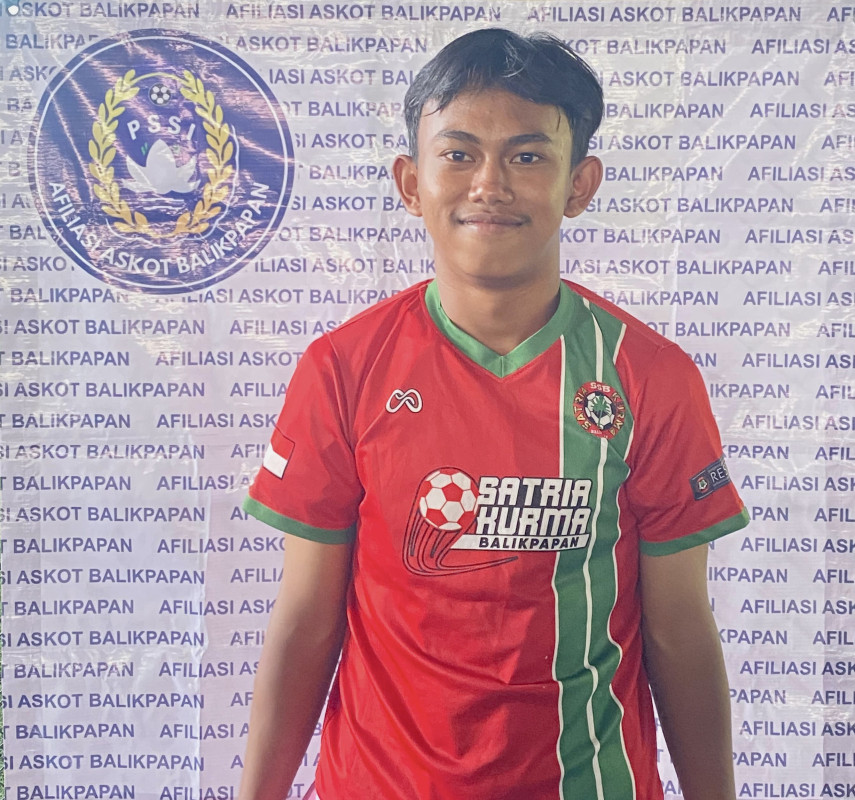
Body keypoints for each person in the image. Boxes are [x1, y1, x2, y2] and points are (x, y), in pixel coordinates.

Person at [238, 28, 749, 800]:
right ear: (410, 182)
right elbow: (307, 619)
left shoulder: (649, 377)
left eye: (527, 156)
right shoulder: (342, 368)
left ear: (579, 185)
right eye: (458, 153)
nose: (489, 184)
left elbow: (678, 628)